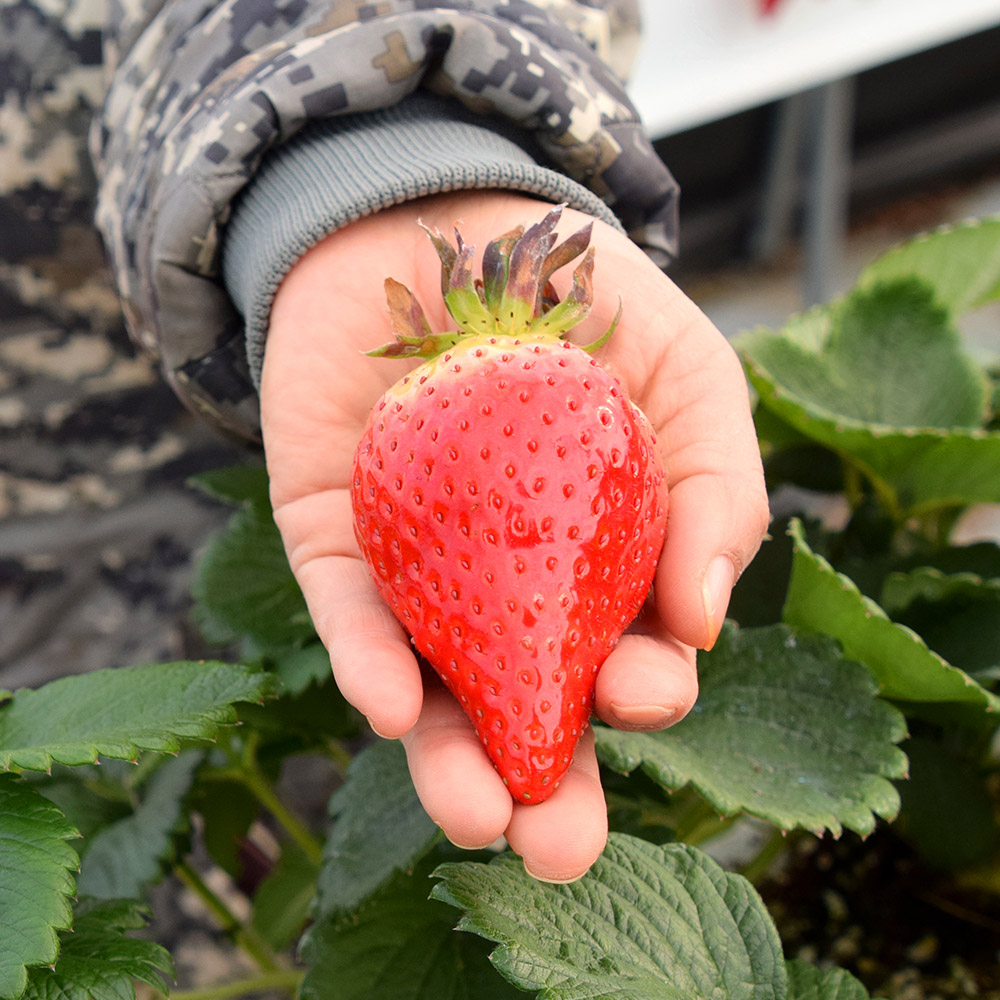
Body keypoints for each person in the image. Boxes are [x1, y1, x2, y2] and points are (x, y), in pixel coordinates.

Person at [3, 0, 769, 882]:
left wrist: (355, 156)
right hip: (42, 481)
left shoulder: (440, 427)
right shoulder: (506, 426)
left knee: (293, 842)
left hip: (223, 361)